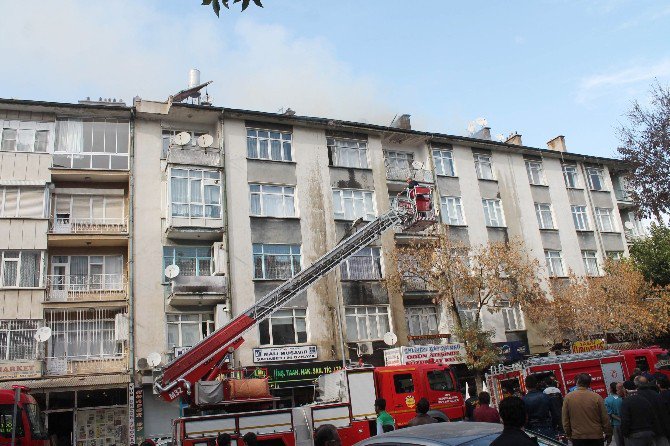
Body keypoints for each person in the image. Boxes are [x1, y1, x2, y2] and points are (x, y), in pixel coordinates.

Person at [562, 373, 612, 446]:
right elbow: (605, 418)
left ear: (577, 382)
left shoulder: (568, 398)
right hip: (596, 436)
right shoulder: (597, 397)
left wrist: (569, 434)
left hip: (578, 436)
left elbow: (565, 419)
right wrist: (608, 433)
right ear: (589, 383)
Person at [634, 376, 670, 446]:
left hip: (646, 431)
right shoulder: (656, 395)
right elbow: (663, 412)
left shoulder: (636, 397)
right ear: (647, 383)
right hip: (660, 429)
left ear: (636, 385)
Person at [621, 380, 657, 446]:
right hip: (649, 433)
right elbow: (653, 416)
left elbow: (625, 420)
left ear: (625, 389)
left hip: (635, 435)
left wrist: (625, 433)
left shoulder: (626, 402)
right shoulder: (644, 399)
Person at [605, 382, 623, 446]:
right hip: (626, 423)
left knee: (619, 442)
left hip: (616, 424)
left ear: (611, 389)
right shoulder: (622, 397)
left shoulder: (607, 400)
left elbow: (609, 414)